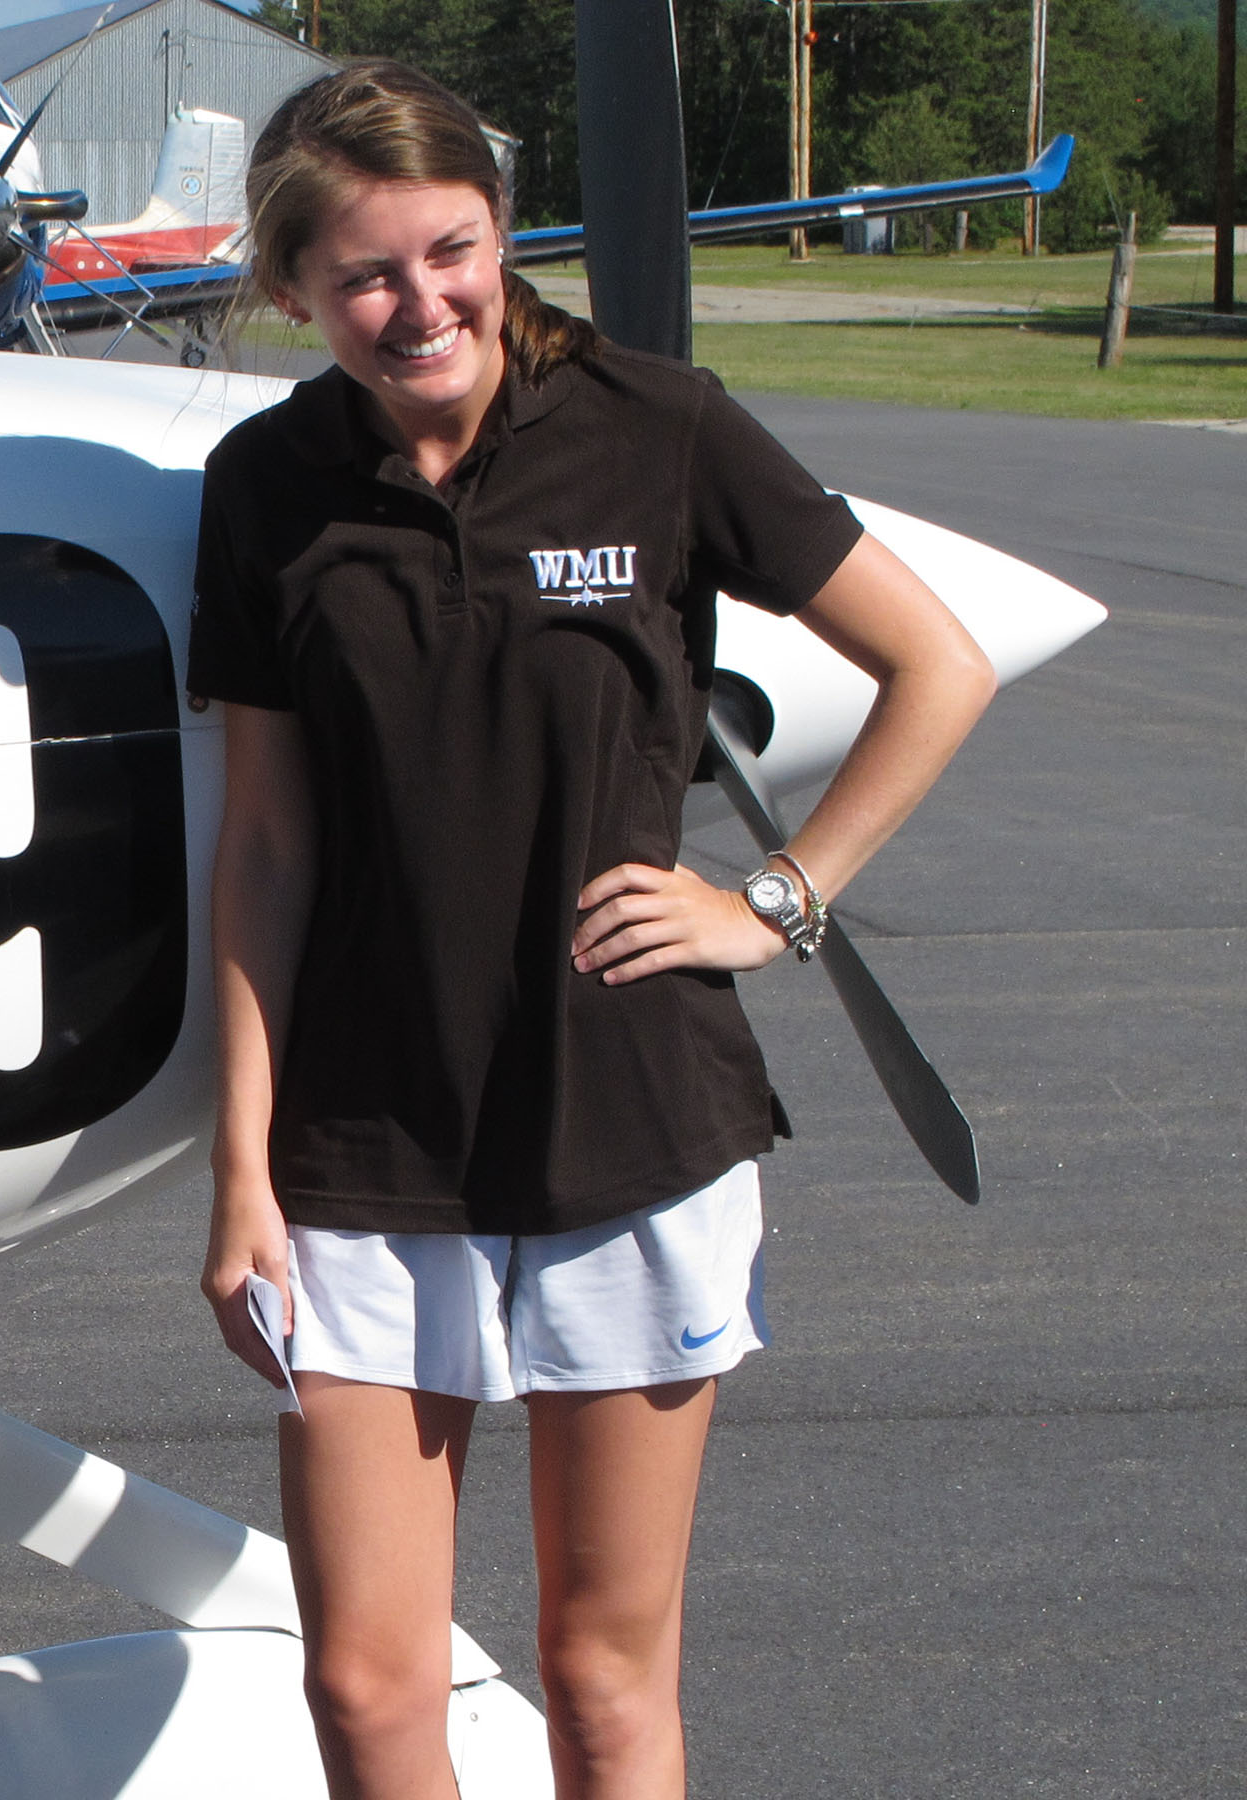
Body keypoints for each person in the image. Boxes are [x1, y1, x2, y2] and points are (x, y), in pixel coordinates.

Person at [188, 62, 999, 1800]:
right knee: (365, 1683)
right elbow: (265, 843)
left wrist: (774, 903)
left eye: (454, 252)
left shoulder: (659, 427)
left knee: (602, 1675)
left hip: (628, 1119)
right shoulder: (266, 486)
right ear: (294, 294)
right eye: (368, 278)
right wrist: (240, 1163)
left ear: (501, 238)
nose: (424, 307)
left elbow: (939, 663)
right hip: (360, 1144)